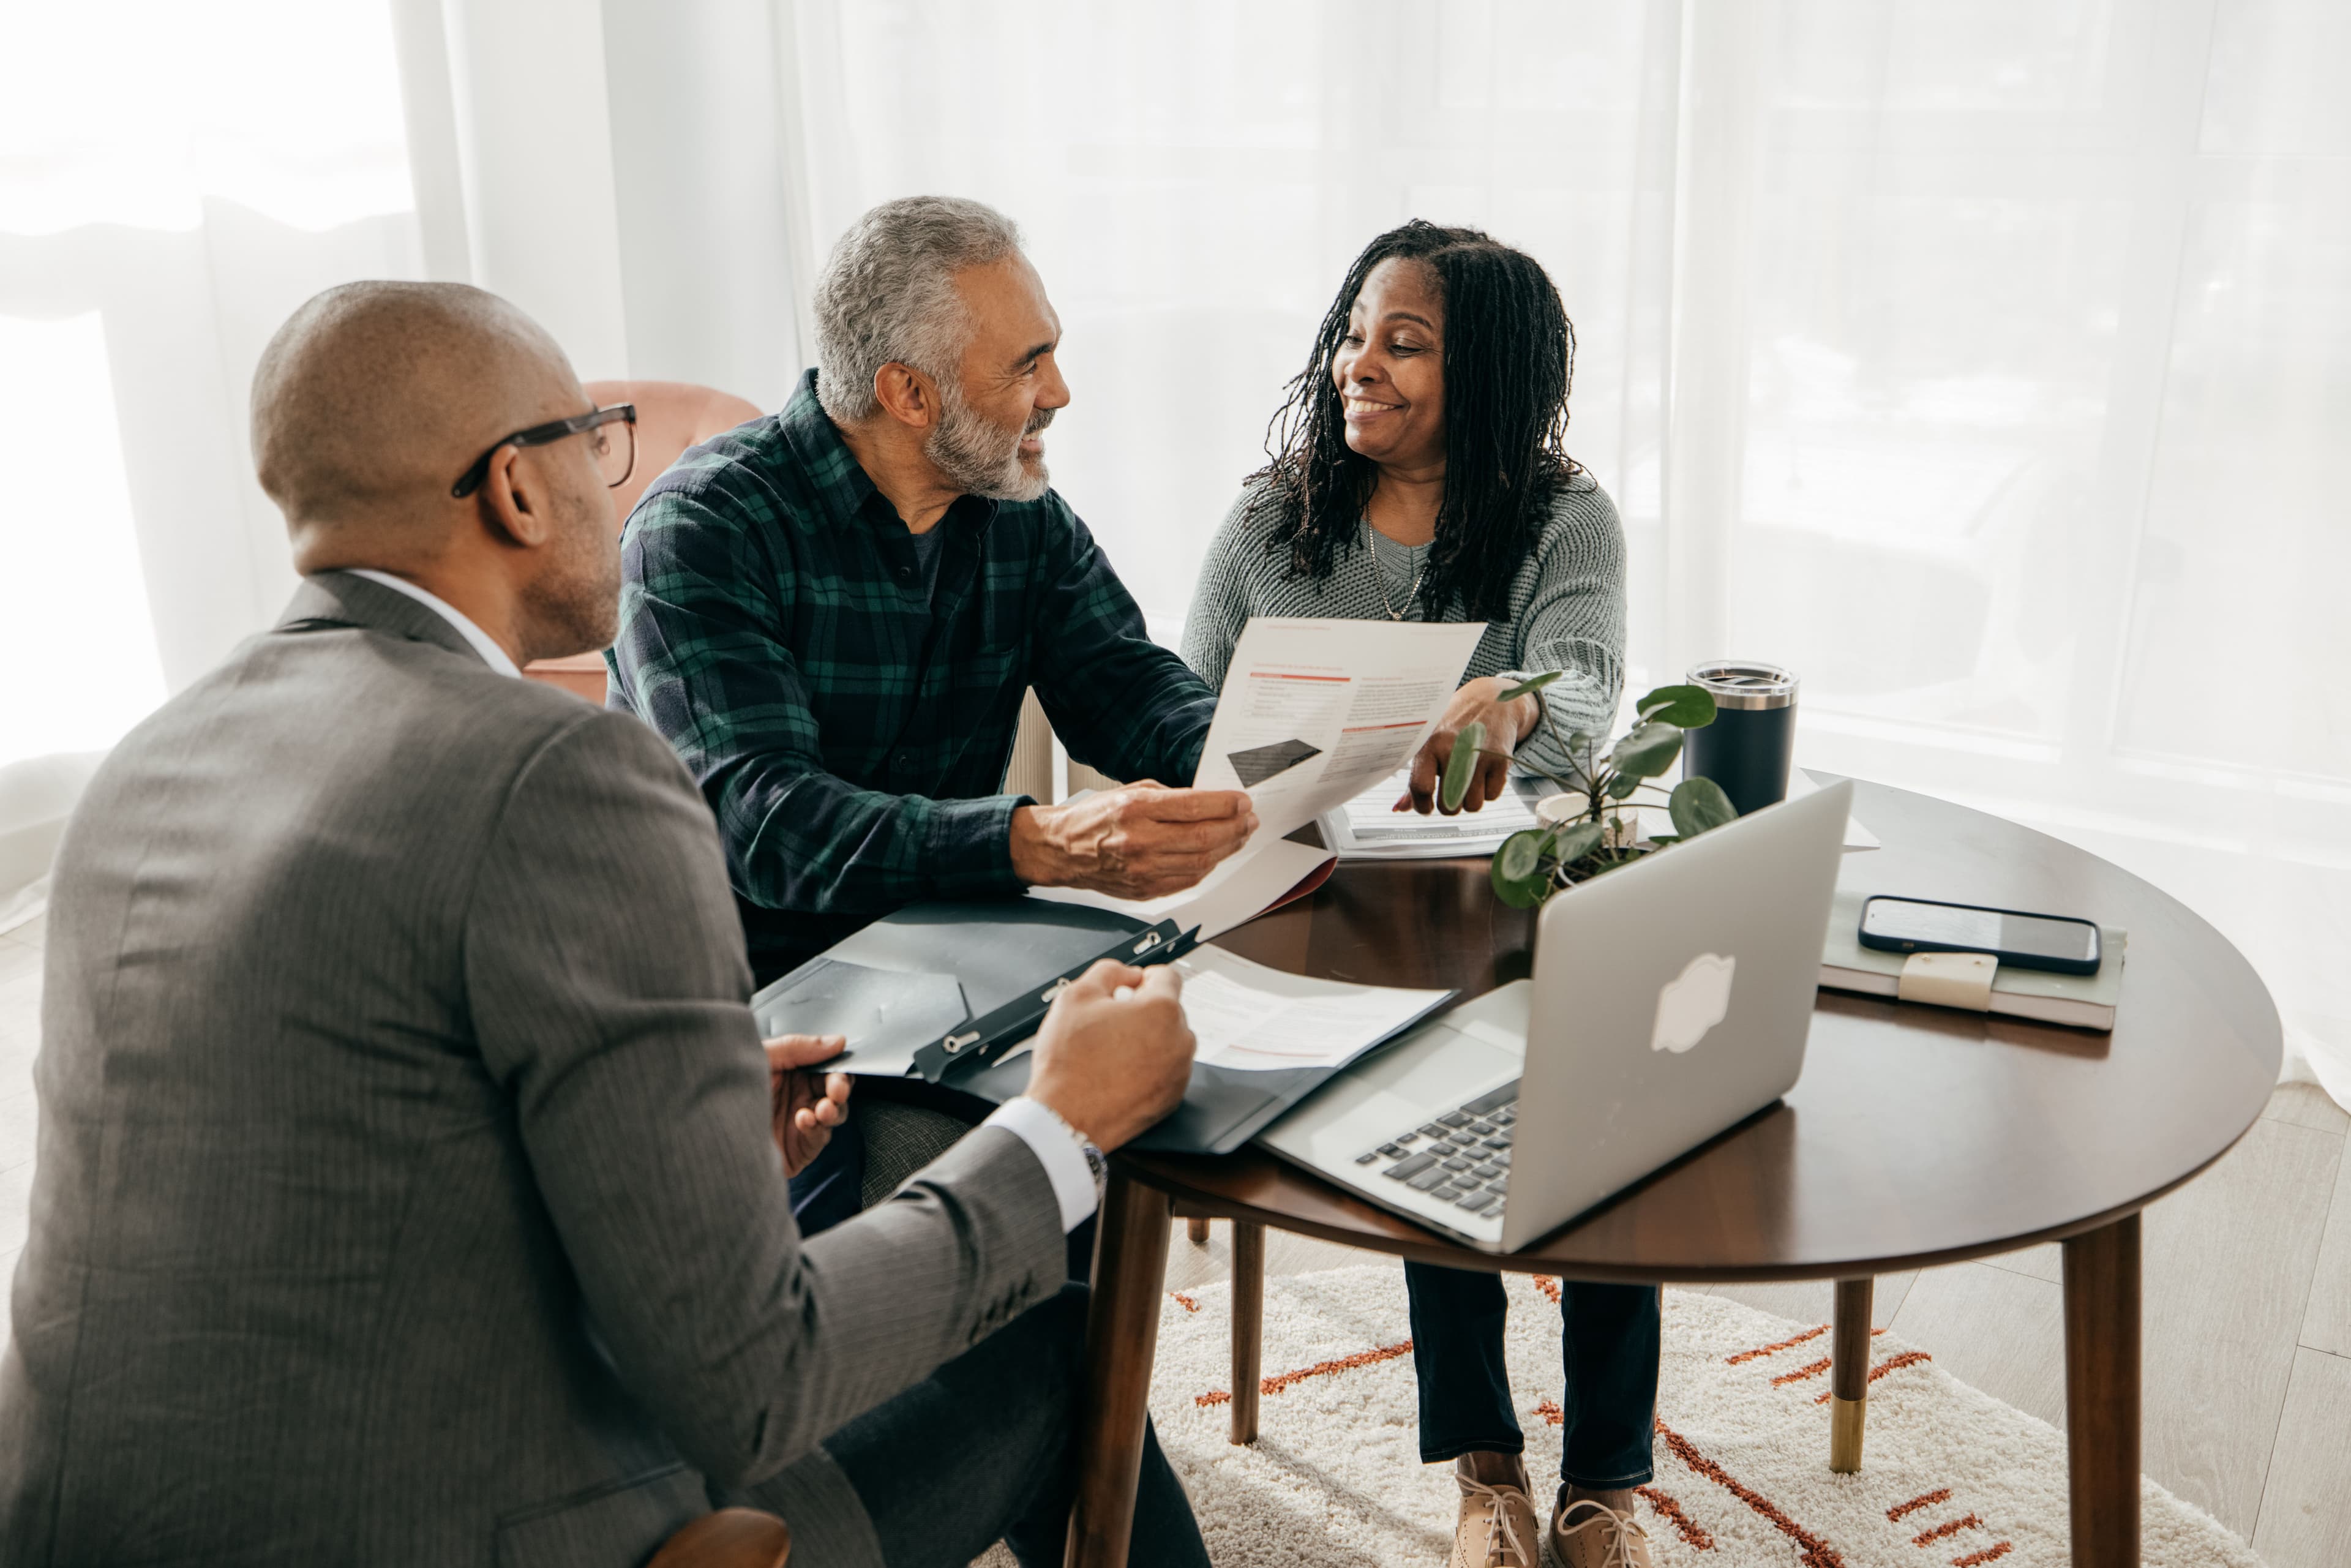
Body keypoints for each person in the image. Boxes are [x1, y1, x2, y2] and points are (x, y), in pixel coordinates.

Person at [0, 280, 1212, 1568]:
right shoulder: (559, 775)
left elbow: (351, 1153)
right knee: (1065, 1346)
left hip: (78, 1522)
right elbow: (756, 1383)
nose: (612, 475)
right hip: (459, 1530)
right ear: (516, 489)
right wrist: (1057, 1128)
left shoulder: (144, 762)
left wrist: (675, 1129)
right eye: (595, 435)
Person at [606, 195, 1268, 1231]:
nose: (1059, 391)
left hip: (950, 965)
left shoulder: (1020, 514)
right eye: (1026, 364)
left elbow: (1132, 688)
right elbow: (770, 824)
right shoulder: (702, 528)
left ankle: (1093, 1396)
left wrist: (1262, 760)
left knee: (1138, 1132)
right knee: (886, 1274)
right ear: (908, 394)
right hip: (749, 1000)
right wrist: (1035, 843)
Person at [1180, 222, 1653, 1568]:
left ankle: (1607, 1487)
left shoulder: (1567, 522)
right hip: (1322, 906)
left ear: (1489, 373)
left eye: (1404, 342)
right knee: (1426, 1094)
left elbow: (1583, 704)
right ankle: (1487, 1467)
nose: (1357, 366)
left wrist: (1515, 695)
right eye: (1354, 332)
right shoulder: (1276, 519)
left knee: (1618, 1117)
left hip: (1519, 905)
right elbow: (1174, 701)